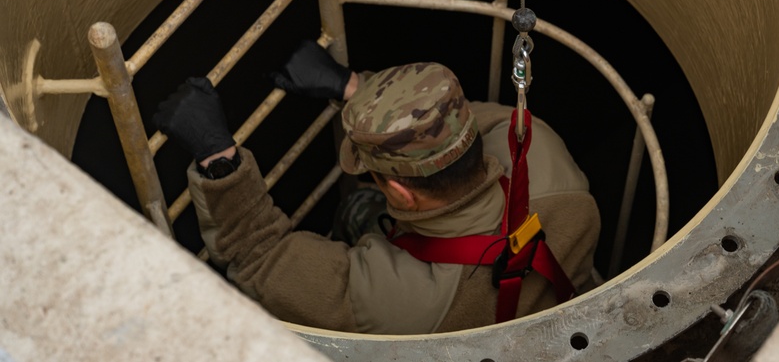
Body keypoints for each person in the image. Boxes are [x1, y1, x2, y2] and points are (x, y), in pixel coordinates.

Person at [154, 41, 600, 334]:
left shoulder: (395, 301)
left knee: (361, 212)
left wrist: (219, 158)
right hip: (557, 317)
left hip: (448, 317)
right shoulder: (545, 155)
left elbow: (260, 259)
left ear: (404, 194)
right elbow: (460, 122)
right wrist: (354, 88)